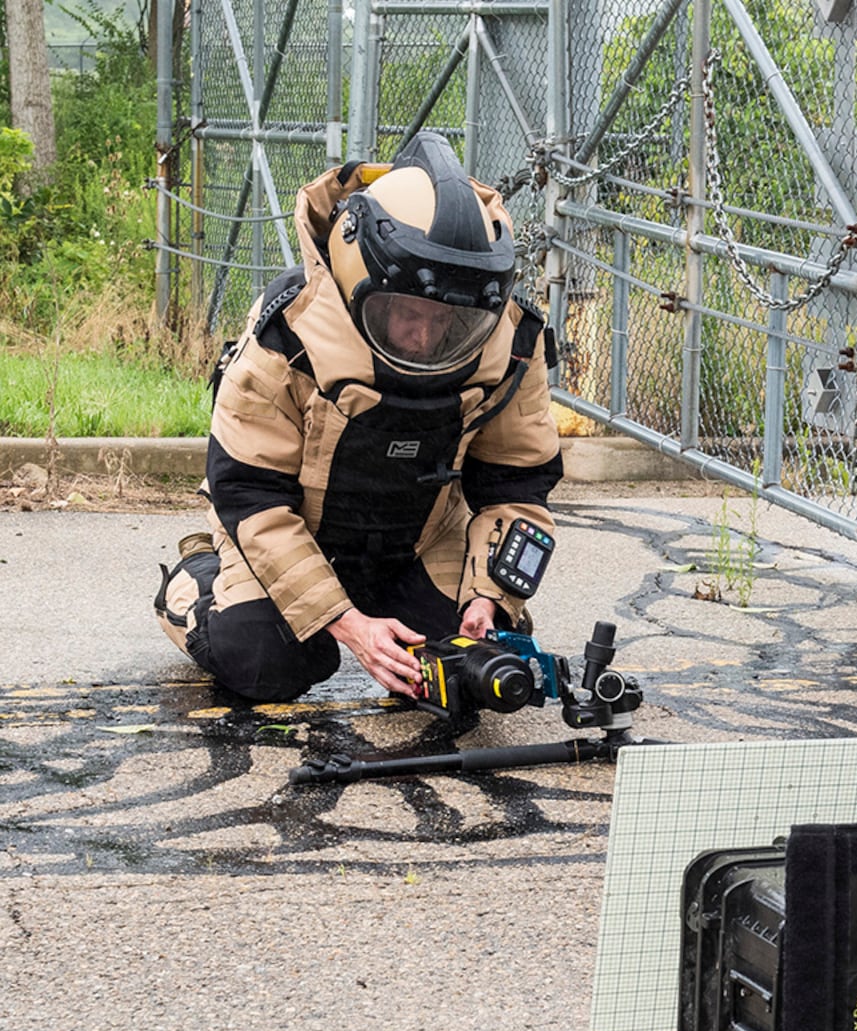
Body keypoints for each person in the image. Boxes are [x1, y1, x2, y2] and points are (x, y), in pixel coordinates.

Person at [154, 131, 561, 702]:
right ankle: (196, 579)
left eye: (448, 321)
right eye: (405, 313)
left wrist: (487, 596)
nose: (424, 337)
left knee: (477, 668)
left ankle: (423, 611)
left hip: (417, 540)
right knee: (267, 665)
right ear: (356, 276)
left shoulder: (514, 341)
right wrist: (346, 624)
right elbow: (249, 495)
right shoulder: (285, 331)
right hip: (288, 531)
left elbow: (518, 485)